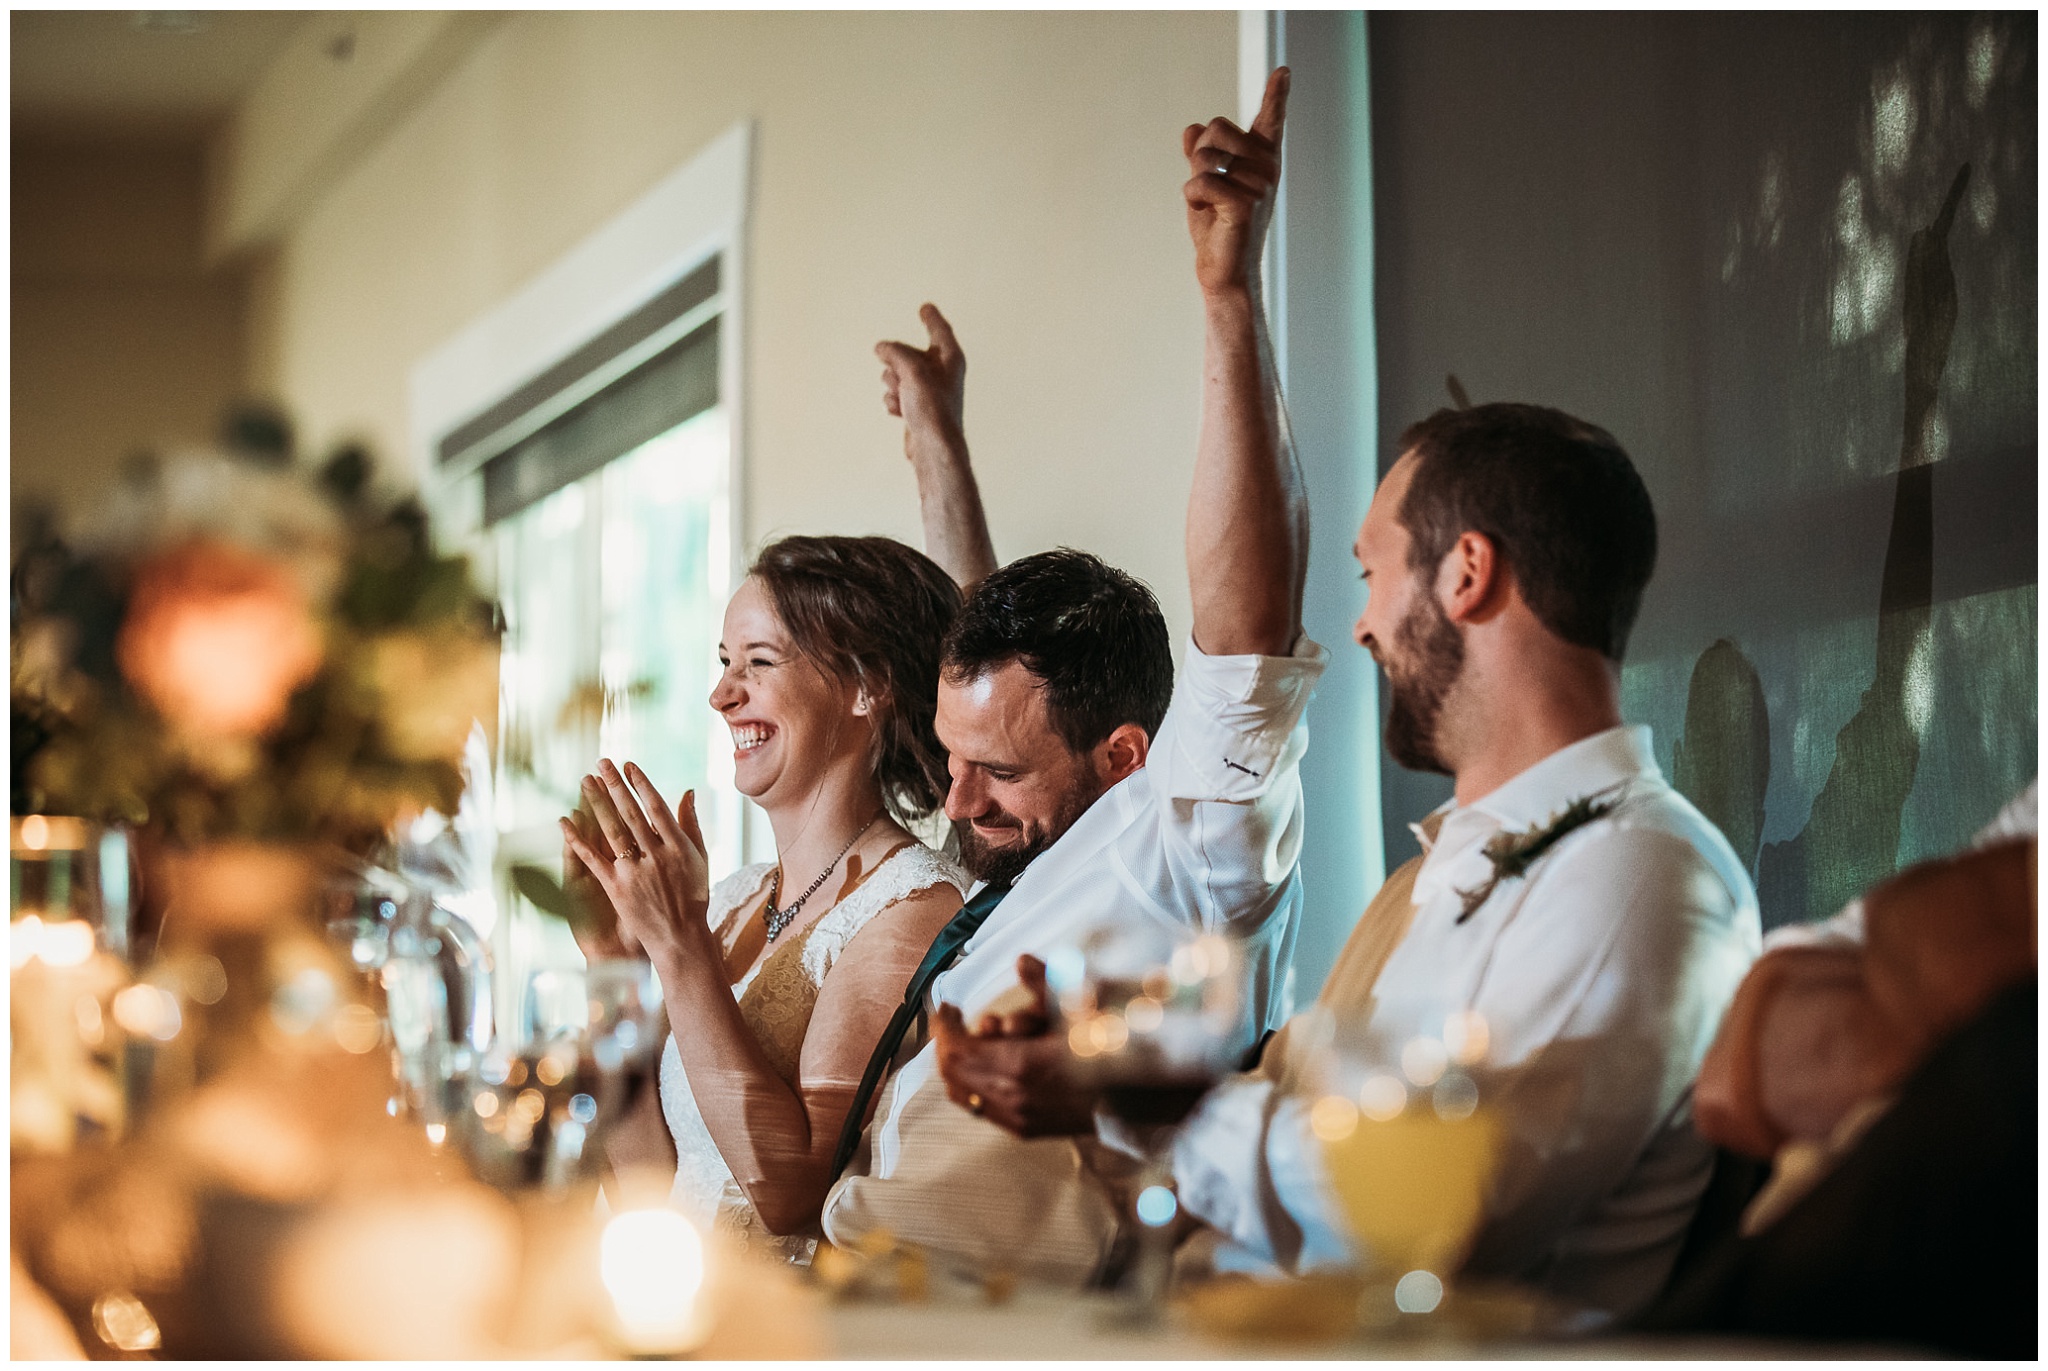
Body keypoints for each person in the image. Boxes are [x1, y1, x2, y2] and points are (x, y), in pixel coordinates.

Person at [938, 398, 1764, 1320]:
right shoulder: (1431, 876)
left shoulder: (1638, 874)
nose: (1363, 625)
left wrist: (1147, 1107)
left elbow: (1450, 1215)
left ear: (1468, 574)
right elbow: (1292, 1104)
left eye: (1373, 573)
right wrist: (1101, 1058)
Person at [818, 68, 1326, 1285]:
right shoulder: (1037, 832)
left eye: (993, 775)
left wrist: (1226, 293)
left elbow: (1248, 630)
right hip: (840, 1280)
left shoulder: (1189, 838)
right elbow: (985, 668)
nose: (954, 801)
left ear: (1127, 757)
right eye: (953, 760)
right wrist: (936, 442)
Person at [560, 534, 970, 1263]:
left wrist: (681, 948)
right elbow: (650, 1180)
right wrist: (615, 964)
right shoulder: (733, 897)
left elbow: (792, 1195)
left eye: (759, 661)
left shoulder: (912, 905)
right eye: (724, 663)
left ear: (864, 686)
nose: (722, 694)